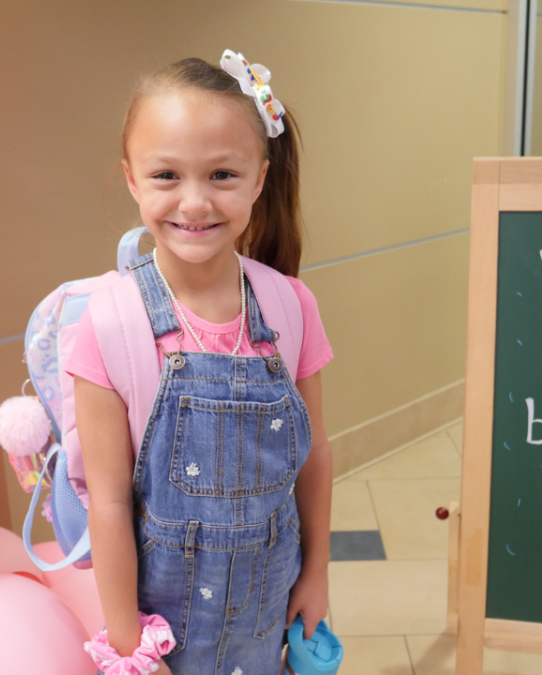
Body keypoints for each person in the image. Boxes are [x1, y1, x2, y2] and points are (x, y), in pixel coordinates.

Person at [65, 51, 335, 675]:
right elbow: (107, 501)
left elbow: (314, 454)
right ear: (131, 179)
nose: (193, 202)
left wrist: (316, 576)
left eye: (221, 175)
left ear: (260, 179)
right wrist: (128, 643)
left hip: (269, 613)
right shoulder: (111, 321)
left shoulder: (289, 306)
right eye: (166, 175)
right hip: (162, 631)